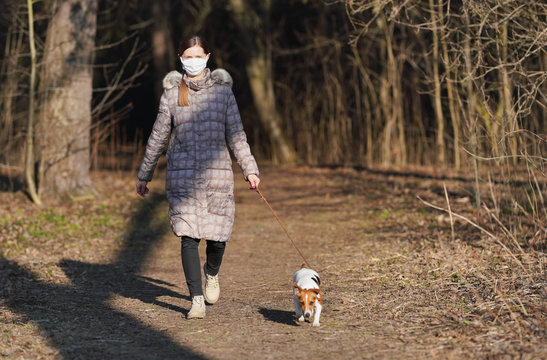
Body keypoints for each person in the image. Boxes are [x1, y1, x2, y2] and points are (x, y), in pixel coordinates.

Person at [136, 35, 260, 319]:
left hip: (218, 178)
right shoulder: (171, 95)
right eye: (187, 56)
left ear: (207, 57)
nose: (193, 60)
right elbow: (158, 137)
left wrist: (249, 169)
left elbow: (237, 135)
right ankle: (196, 299)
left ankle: (212, 273)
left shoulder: (223, 93)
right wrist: (145, 173)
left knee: (217, 239)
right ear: (181, 59)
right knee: (188, 237)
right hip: (183, 177)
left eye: (197, 55)